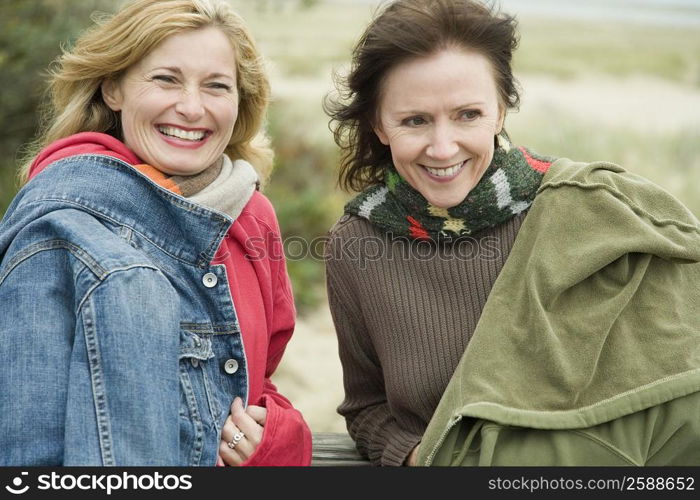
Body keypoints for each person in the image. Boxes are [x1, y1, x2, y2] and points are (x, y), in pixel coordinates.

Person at [324, 0, 700, 466]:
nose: (443, 148)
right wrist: (417, 457)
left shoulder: (590, 210)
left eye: (468, 115)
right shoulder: (357, 244)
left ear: (501, 111)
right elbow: (366, 408)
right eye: (415, 120)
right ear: (379, 124)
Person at [0, 0, 311, 466]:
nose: (191, 107)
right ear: (112, 89)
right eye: (166, 79)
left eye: (217, 86)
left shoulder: (251, 214)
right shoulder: (61, 221)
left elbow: (255, 383)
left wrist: (279, 440)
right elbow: (27, 446)